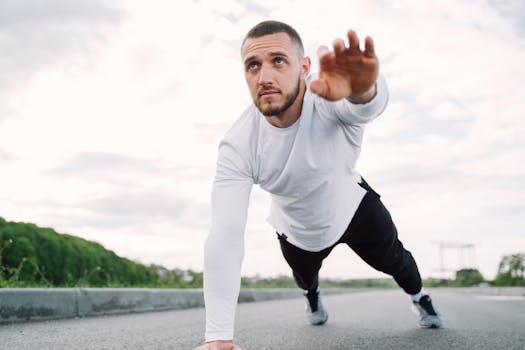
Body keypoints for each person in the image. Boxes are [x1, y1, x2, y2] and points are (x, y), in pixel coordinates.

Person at [195, 20, 443, 350]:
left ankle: (420, 297)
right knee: (305, 279)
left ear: (305, 66)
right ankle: (313, 297)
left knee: (397, 260)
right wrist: (218, 337)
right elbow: (224, 235)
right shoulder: (238, 145)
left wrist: (363, 90)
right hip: (298, 230)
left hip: (353, 208)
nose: (265, 77)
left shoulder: (328, 98)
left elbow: (364, 105)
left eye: (278, 61)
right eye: (253, 65)